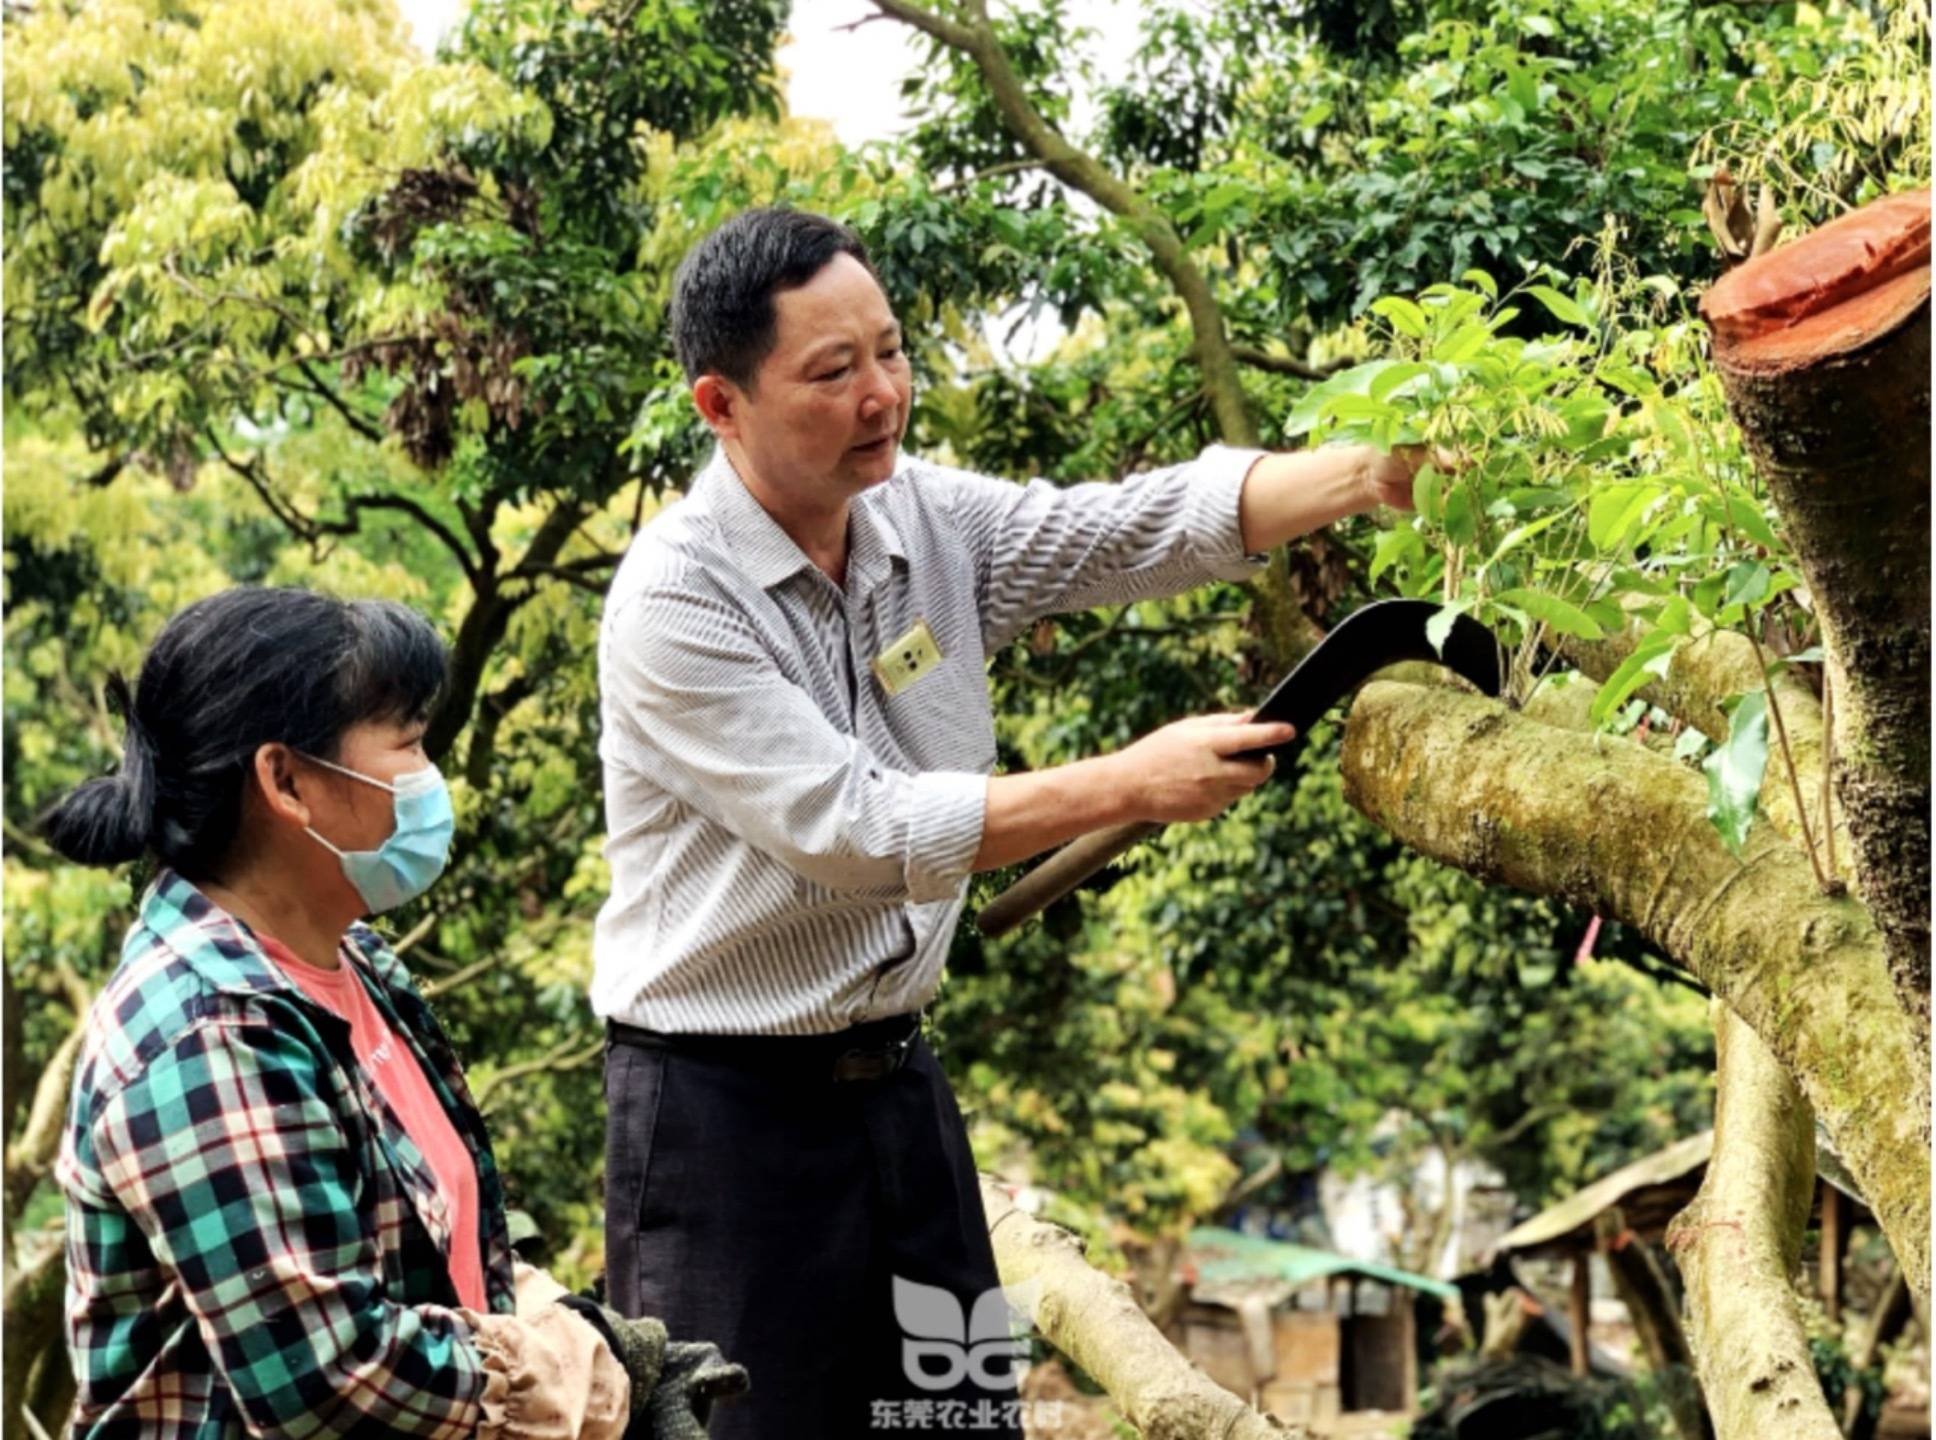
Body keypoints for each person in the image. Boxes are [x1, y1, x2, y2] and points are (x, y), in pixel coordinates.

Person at [592, 207, 1425, 1439]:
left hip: (897, 1088)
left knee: (955, 1423)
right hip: (724, 1121)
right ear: (721, 404)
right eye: (833, 371)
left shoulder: (918, 518)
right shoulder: (674, 600)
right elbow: (857, 831)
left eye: (890, 351)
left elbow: (1122, 528)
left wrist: (1368, 474)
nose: (883, 394)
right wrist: (1130, 783)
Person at [46, 586, 743, 1439]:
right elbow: (324, 1372)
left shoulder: (353, 962)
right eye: (408, 743)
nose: (429, 778)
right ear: (287, 780)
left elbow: (438, 1239)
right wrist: (560, 1379)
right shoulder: (211, 1034)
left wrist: (570, 1325)